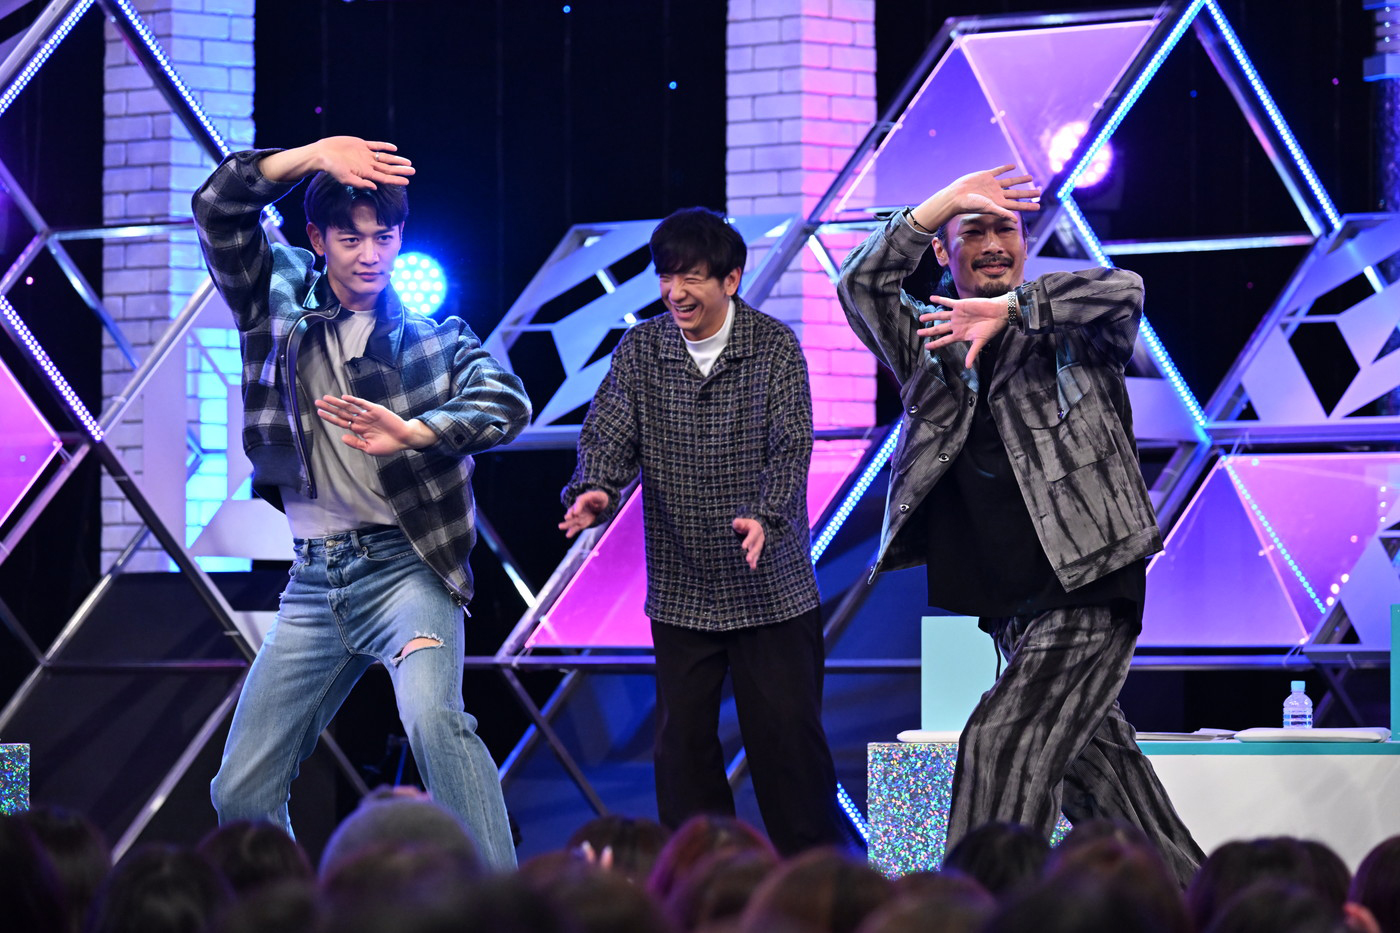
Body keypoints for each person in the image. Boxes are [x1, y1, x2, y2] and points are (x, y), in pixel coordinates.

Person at [836, 164, 1201, 885]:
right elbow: (861, 284)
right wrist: (944, 198)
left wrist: (1013, 311)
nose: (993, 245)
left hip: (1090, 582)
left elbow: (1125, 289)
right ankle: (1197, 902)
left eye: (1005, 228)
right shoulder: (929, 338)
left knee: (999, 745)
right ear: (943, 251)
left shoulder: (1071, 327)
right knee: (1109, 787)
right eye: (972, 232)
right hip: (1011, 602)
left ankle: (975, 911)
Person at [192, 135, 530, 870]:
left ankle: (505, 909)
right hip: (314, 581)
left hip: (408, 571)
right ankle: (289, 912)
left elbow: (507, 401)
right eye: (351, 238)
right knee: (239, 788)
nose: (371, 254)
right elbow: (218, 207)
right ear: (317, 239)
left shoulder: (434, 340)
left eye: (385, 237)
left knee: (436, 724)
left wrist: (416, 431)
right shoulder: (276, 300)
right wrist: (313, 155)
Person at [560, 208, 843, 856]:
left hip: (770, 589)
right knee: (681, 752)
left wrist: (767, 516)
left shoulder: (773, 346)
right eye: (666, 276)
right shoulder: (642, 349)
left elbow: (791, 447)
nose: (675, 291)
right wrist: (595, 489)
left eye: (691, 277)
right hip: (683, 588)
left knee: (788, 749)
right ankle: (700, 880)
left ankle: (819, 881)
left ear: (730, 279)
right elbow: (608, 434)